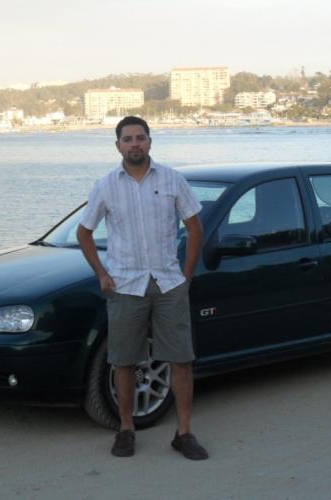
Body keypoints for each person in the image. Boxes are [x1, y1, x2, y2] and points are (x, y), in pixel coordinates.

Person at [76, 116, 208, 460]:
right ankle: (126, 429)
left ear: (150, 141)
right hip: (125, 285)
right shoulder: (106, 185)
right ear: (118, 145)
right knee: (123, 361)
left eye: (140, 137)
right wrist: (101, 273)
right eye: (128, 139)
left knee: (181, 360)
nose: (134, 144)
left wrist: (187, 274)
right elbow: (84, 233)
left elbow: (195, 227)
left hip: (168, 283)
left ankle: (184, 433)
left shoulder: (172, 179)